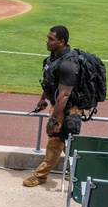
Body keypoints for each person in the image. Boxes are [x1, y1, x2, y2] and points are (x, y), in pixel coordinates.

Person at [24, 25, 85, 187]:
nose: (47, 41)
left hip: (68, 108)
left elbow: (64, 95)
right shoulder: (53, 58)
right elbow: (51, 83)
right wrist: (42, 98)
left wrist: (53, 120)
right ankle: (76, 172)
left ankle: (40, 176)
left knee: (55, 141)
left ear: (62, 42)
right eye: (48, 37)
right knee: (66, 142)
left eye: (51, 39)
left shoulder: (68, 64)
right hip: (58, 105)